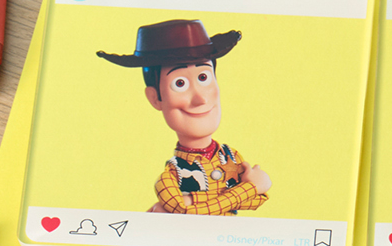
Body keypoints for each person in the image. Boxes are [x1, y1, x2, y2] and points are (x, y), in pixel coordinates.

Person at [97, 20, 270, 215]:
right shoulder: (169, 178)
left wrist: (191, 201)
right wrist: (250, 188)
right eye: (180, 83)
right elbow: (182, 210)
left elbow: (258, 200)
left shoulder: (231, 157)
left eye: (203, 78)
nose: (200, 99)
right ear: (155, 98)